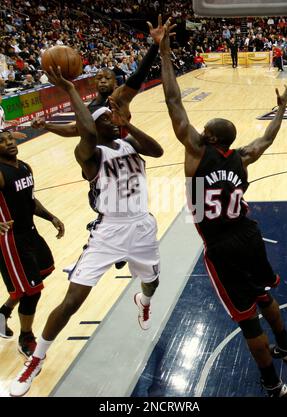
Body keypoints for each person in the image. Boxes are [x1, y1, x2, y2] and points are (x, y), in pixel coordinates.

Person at [159, 19, 287, 397]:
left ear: (210, 136)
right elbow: (267, 136)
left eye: (204, 128)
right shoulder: (243, 156)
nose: (199, 129)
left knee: (248, 322)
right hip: (250, 235)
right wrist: (281, 107)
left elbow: (173, 101)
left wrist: (165, 51)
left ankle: (272, 384)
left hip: (222, 247)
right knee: (265, 295)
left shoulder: (196, 152)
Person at [10, 62, 163, 396]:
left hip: (141, 226)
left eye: (112, 115)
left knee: (152, 281)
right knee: (72, 300)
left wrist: (130, 126)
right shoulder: (89, 155)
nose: (111, 117)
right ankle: (35, 360)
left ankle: (144, 301)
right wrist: (70, 89)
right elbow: (88, 131)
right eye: (105, 117)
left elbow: (158, 151)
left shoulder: (128, 145)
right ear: (94, 126)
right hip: (109, 231)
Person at [31, 17, 163, 271]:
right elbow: (75, 130)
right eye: (99, 78)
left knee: (124, 203)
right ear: (93, 82)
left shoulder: (120, 97)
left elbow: (139, 75)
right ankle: (105, 242)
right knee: (102, 200)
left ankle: (112, 242)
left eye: (107, 78)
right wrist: (47, 126)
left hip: (124, 151)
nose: (103, 81)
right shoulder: (90, 106)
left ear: (115, 82)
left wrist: (155, 46)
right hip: (100, 157)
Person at [0, 128, 65, 357]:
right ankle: (26, 338)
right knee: (32, 291)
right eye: (2, 141)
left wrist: (51, 217)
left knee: (44, 269)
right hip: (11, 240)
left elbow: (31, 199)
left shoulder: (25, 167)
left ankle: (4, 310)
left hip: (30, 232)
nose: (9, 143)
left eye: (10, 138)